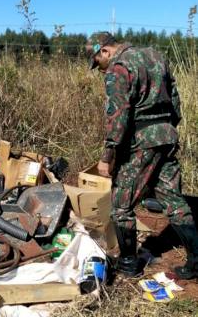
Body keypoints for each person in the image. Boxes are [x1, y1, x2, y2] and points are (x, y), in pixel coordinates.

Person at [85, 32, 198, 279]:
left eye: (98, 62)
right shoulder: (155, 55)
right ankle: (196, 261)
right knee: (173, 200)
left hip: (142, 142)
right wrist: (167, 129)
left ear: (104, 51)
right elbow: (175, 99)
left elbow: (118, 116)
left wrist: (108, 155)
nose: (100, 69)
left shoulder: (119, 68)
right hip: (166, 136)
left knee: (121, 206)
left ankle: (128, 263)